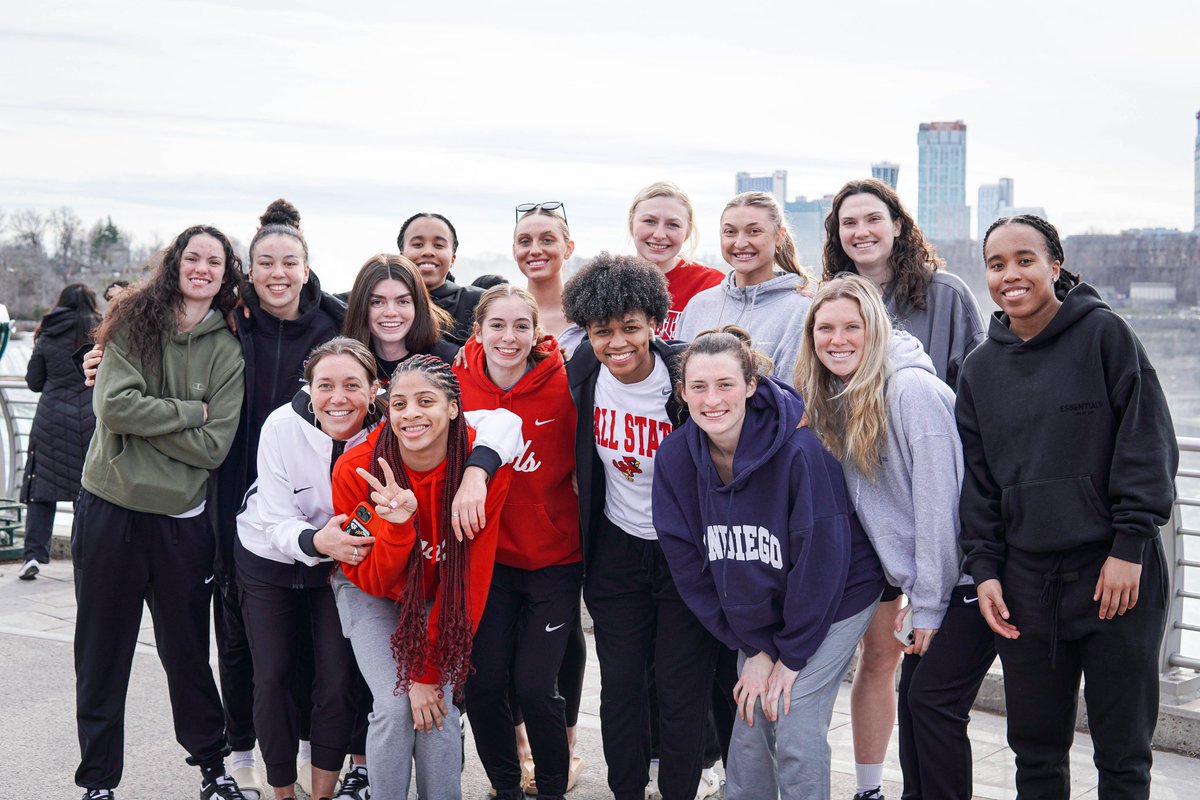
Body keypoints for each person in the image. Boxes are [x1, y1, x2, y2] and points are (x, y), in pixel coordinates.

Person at [959, 215, 1177, 799]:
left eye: (1025, 259)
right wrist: (985, 571)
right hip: (1029, 583)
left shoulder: (1106, 336)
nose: (1011, 274)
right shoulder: (980, 369)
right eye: (997, 264)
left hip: (1116, 574)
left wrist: (1129, 545)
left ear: (1055, 266)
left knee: (1123, 755)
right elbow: (977, 485)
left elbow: (1147, 442)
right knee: (1035, 754)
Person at [653, 325, 884, 800]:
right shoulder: (675, 458)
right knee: (751, 716)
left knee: (792, 716)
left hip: (836, 597)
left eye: (725, 385)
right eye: (698, 387)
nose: (711, 399)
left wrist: (790, 655)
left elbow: (822, 562)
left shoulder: (798, 452)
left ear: (751, 386)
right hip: (763, 612)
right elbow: (691, 570)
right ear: (682, 392)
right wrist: (754, 649)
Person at [795, 275, 995, 800]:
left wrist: (928, 603)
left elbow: (939, 509)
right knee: (919, 705)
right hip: (932, 583)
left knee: (931, 708)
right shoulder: (841, 395)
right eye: (825, 328)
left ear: (876, 330)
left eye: (852, 327)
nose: (837, 339)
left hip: (969, 582)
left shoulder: (912, 392)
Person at [73, 225, 249, 800]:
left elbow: (215, 448)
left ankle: (211, 768)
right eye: (192, 257)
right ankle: (98, 782)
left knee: (186, 652)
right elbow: (114, 406)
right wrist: (190, 412)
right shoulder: (130, 321)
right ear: (174, 263)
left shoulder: (227, 348)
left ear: (226, 275)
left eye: (214, 262)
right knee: (102, 651)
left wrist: (155, 422)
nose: (202, 268)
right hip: (110, 506)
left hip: (180, 520)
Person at [563, 253, 718, 800]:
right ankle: (626, 790)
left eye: (630, 328)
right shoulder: (581, 370)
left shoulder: (685, 378)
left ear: (654, 322)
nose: (617, 343)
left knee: (681, 690)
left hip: (684, 556)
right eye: (603, 331)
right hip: (615, 551)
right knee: (622, 690)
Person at [331, 355, 521, 800]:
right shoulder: (358, 469)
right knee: (396, 707)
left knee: (436, 704)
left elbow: (470, 581)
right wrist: (398, 526)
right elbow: (370, 579)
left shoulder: (481, 471)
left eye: (425, 401)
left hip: (446, 593)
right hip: (373, 591)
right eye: (398, 404)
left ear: (453, 407)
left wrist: (427, 672)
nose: (410, 413)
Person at [235, 338, 381, 800]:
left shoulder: (388, 432)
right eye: (326, 386)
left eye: (353, 386)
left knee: (337, 681)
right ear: (309, 387)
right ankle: (282, 792)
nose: (339, 399)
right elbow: (275, 519)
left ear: (375, 390)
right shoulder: (281, 425)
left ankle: (322, 792)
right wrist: (318, 540)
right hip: (268, 556)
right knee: (273, 676)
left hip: (338, 564)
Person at [456, 285, 584, 800]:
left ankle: (551, 788)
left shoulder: (566, 383)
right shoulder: (456, 384)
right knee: (484, 686)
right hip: (486, 560)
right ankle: (506, 787)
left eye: (520, 327)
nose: (508, 338)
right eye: (497, 326)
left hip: (553, 557)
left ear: (537, 333)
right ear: (479, 330)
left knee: (535, 688)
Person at [675, 191, 813, 381]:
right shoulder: (698, 306)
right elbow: (679, 383)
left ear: (780, 236)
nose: (740, 243)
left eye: (754, 231)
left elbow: (795, 398)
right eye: (730, 232)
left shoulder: (801, 311)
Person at [16, 283, 101, 580]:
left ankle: (33, 556)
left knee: (42, 490)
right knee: (87, 490)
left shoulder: (48, 331)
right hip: (91, 418)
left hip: (50, 418)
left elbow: (34, 381)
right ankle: (86, 558)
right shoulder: (101, 331)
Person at [342, 253, 460, 384]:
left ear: (418, 305)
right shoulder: (344, 364)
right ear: (361, 306)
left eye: (403, 301)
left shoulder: (451, 361)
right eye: (377, 302)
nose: (391, 312)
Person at [627, 181, 723, 340]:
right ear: (632, 223)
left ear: (688, 231)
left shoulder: (712, 285)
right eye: (649, 221)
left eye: (673, 225)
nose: (659, 234)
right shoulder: (609, 282)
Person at [512, 202, 586, 358]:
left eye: (547, 240)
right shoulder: (502, 313)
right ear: (514, 251)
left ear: (568, 249)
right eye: (525, 241)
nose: (535, 250)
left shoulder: (591, 314)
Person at [398, 212, 483, 343]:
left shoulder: (478, 302)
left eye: (439, 245)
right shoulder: (380, 302)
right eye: (417, 244)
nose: (428, 252)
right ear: (401, 256)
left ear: (453, 258)